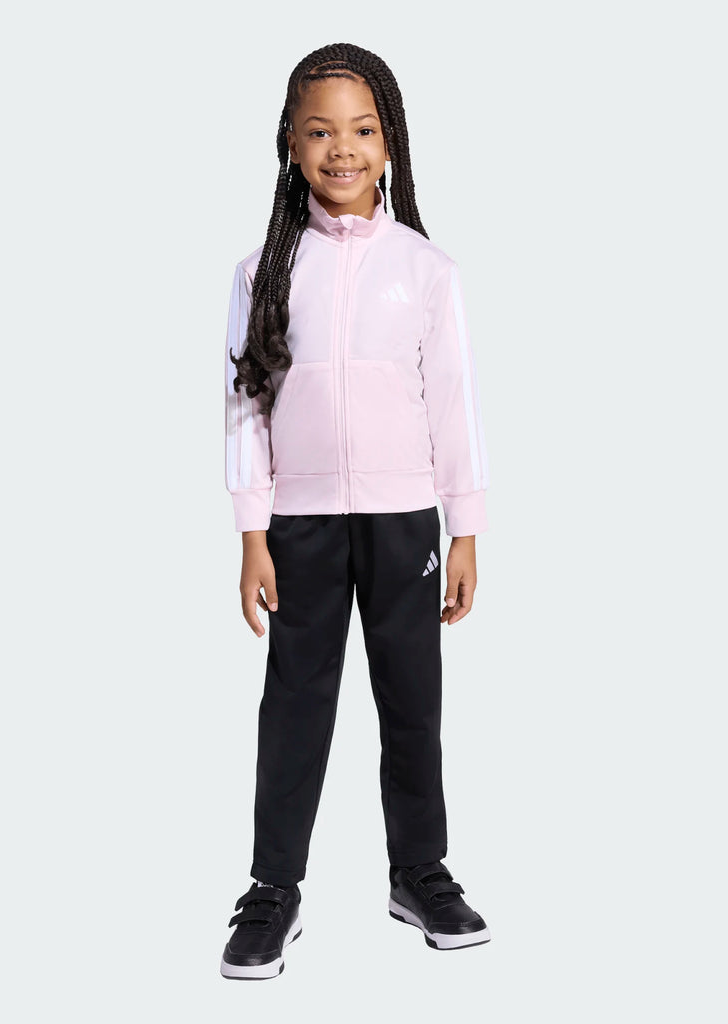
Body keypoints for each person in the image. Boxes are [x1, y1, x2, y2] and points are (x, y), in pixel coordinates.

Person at [220, 42, 492, 981]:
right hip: (299, 524)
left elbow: (454, 401)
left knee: (411, 702)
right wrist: (252, 531)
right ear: (291, 145)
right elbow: (244, 408)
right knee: (295, 704)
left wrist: (464, 527)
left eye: (364, 130)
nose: (343, 149)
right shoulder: (261, 272)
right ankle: (272, 889)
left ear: (391, 142)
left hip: (404, 519)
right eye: (320, 131)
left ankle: (419, 871)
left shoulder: (426, 269)